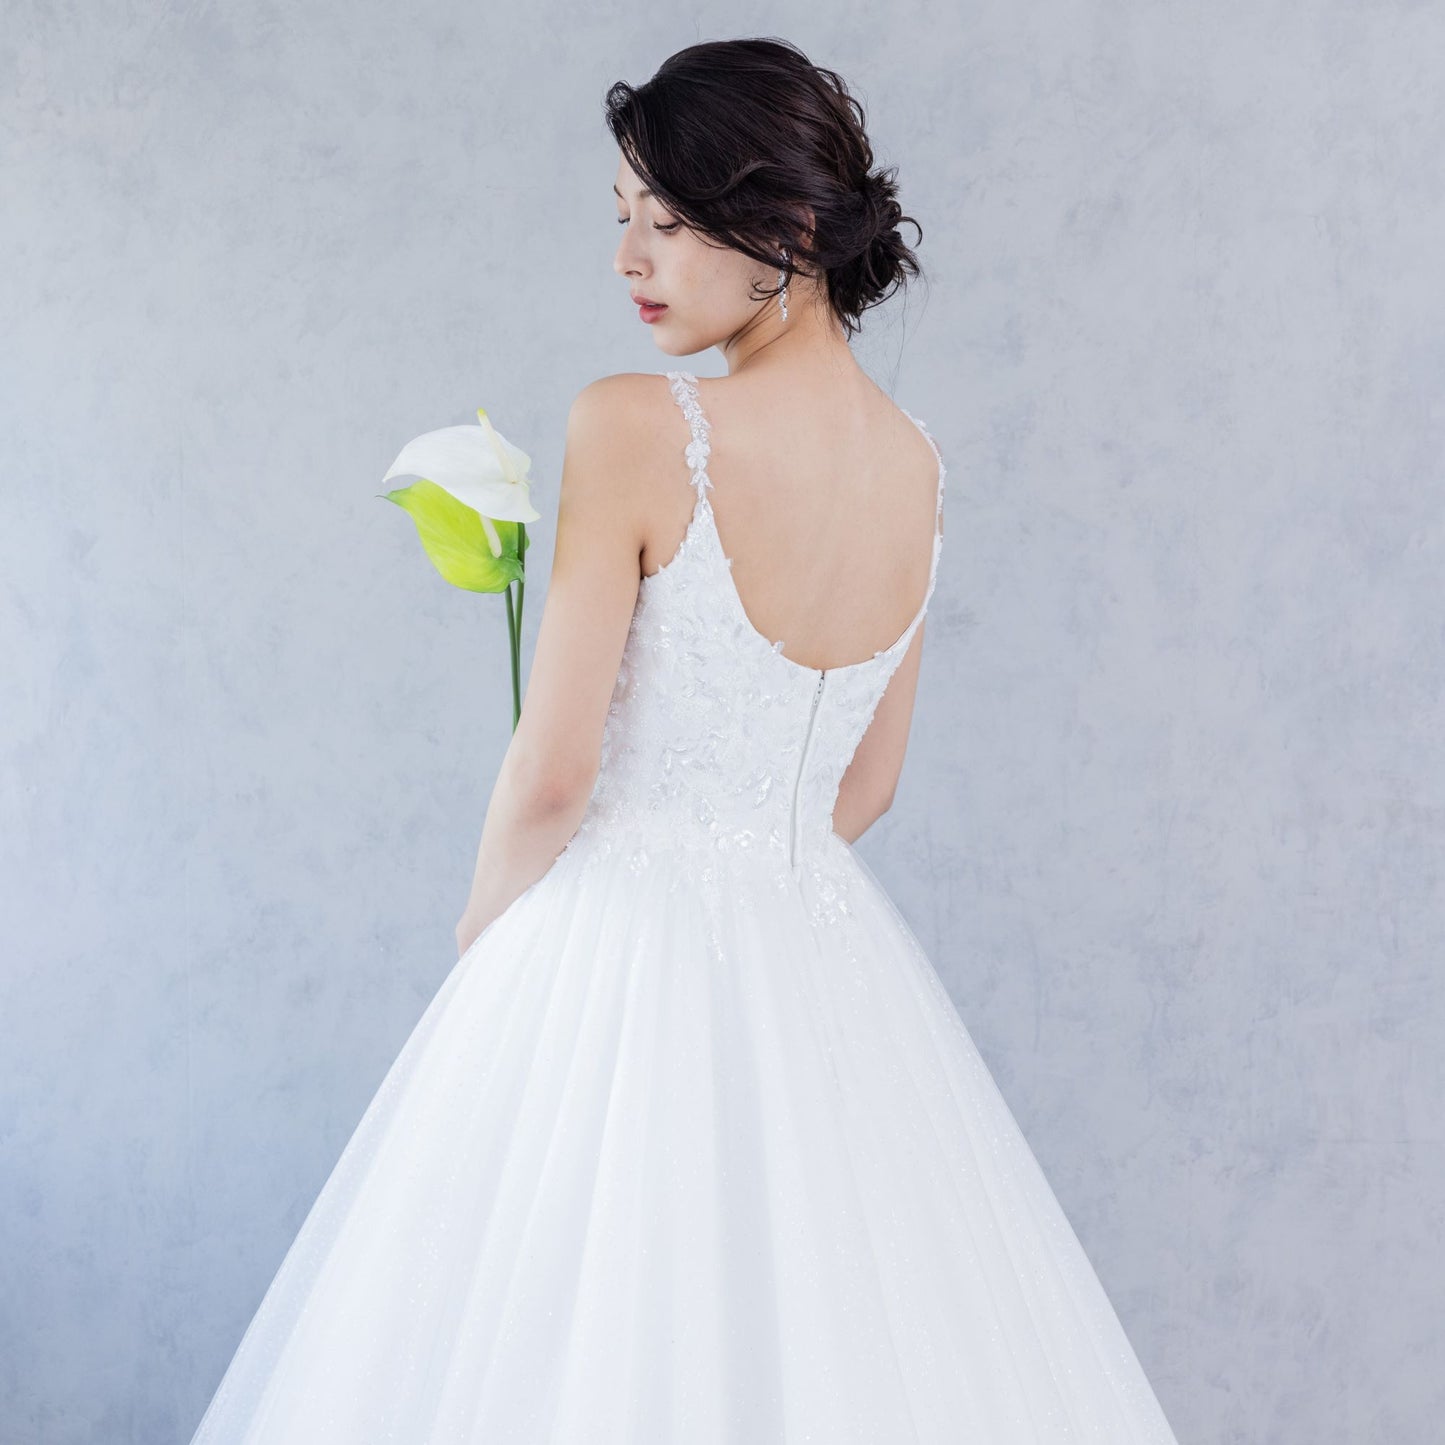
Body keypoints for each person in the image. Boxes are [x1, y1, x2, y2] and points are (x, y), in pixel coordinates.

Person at [187, 37, 1182, 1443]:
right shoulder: (917, 465)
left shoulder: (633, 423)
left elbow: (554, 771)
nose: (627, 259)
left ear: (786, 229)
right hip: (825, 966)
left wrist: (491, 937)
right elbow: (870, 782)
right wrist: (745, 870)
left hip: (614, 947)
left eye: (666, 220)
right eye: (622, 219)